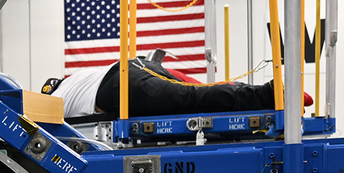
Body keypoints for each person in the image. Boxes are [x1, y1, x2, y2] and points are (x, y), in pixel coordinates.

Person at [46, 57, 283, 121]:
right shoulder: (73, 80)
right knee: (197, 88)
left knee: (194, 98)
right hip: (135, 66)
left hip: (121, 88)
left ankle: (264, 94)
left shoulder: (52, 104)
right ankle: (256, 92)